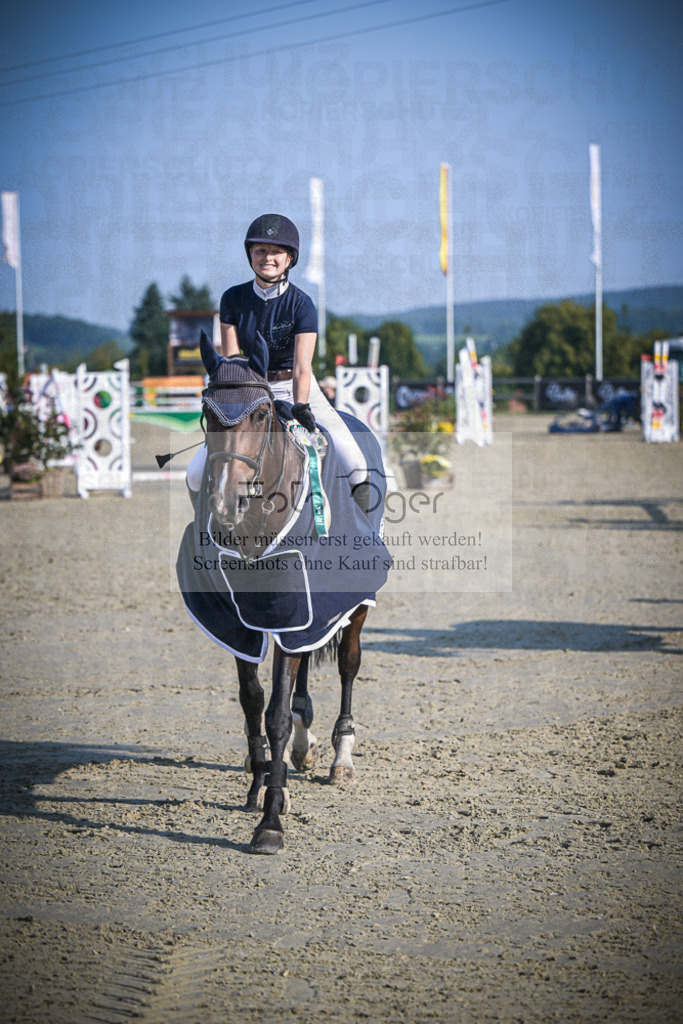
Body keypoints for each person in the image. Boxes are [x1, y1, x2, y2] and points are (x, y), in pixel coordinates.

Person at [186, 213, 367, 496]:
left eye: (275, 252)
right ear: (250, 255)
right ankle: (205, 536)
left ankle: (363, 537)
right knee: (195, 475)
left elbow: (302, 368)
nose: (267, 257)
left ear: (289, 258)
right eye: (260, 251)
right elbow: (233, 362)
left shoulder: (301, 304)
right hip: (249, 392)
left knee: (356, 465)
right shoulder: (232, 299)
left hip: (293, 388)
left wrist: (300, 405)